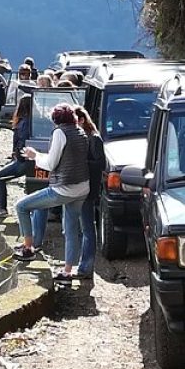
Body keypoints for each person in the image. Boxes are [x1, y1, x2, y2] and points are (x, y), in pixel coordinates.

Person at [14, 104, 89, 282]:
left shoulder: (59, 133)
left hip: (63, 188)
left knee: (22, 206)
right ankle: (68, 272)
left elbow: (51, 164)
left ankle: (28, 248)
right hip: (82, 188)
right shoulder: (80, 132)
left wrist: (35, 156)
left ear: (55, 120)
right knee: (71, 230)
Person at [0, 96, 36, 219]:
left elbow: (23, 140)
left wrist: (18, 155)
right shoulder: (34, 120)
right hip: (30, 160)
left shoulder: (24, 122)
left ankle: (2, 208)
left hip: (23, 161)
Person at [74, 106, 106, 279]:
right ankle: (81, 264)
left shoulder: (94, 138)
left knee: (87, 228)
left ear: (82, 120)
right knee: (80, 228)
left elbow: (101, 163)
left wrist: (81, 163)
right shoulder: (83, 137)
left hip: (88, 189)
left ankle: (86, 267)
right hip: (81, 187)